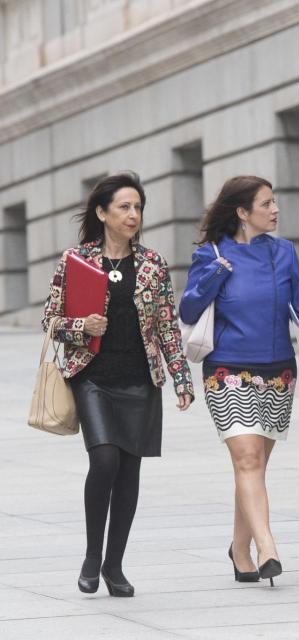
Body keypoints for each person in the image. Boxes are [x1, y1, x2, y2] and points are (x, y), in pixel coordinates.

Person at [42, 172, 194, 597]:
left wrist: (181, 378)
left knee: (129, 474)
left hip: (140, 381)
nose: (133, 215)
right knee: (105, 460)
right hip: (93, 378)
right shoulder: (77, 260)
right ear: (102, 212)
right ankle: (92, 554)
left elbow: (167, 326)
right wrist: (80, 325)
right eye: (124, 207)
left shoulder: (152, 264)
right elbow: (50, 320)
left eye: (138, 207)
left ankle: (114, 565)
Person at [180, 175, 299, 587]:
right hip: (227, 370)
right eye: (266, 204)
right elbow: (190, 307)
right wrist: (214, 275)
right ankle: (267, 546)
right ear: (242, 212)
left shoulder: (283, 253)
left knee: (252, 466)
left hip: (278, 373)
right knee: (247, 460)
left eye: (274, 201)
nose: (275, 209)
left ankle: (239, 547)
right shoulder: (211, 254)